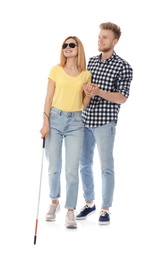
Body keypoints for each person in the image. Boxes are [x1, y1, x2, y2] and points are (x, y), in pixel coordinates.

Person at [76, 22, 133, 225]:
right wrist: (87, 91)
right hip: (85, 120)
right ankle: (89, 203)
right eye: (99, 36)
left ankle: (105, 208)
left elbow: (122, 97)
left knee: (106, 166)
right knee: (84, 164)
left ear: (114, 41)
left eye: (105, 37)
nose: (100, 40)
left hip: (105, 123)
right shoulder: (90, 62)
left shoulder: (123, 66)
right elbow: (82, 90)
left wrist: (99, 92)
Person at [40, 36, 91, 228]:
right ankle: (54, 202)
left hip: (76, 122)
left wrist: (88, 94)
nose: (67, 48)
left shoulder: (86, 74)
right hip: (55, 119)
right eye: (65, 45)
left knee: (71, 169)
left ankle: (70, 209)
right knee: (54, 166)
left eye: (72, 45)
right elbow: (48, 97)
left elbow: (84, 103)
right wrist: (45, 122)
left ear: (79, 49)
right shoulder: (56, 70)